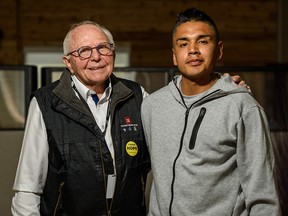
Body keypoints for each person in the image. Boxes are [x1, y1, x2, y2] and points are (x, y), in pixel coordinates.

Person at [11, 20, 246, 216]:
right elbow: (27, 189)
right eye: (83, 51)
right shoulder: (46, 103)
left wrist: (220, 88)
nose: (96, 57)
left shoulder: (137, 96)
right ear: (68, 63)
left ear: (113, 52)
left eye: (103, 47)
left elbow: (179, 118)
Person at [141, 8, 281, 216]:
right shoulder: (152, 106)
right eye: (183, 43)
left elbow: (263, 196)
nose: (193, 50)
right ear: (174, 56)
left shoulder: (242, 106)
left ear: (219, 50)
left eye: (203, 41)